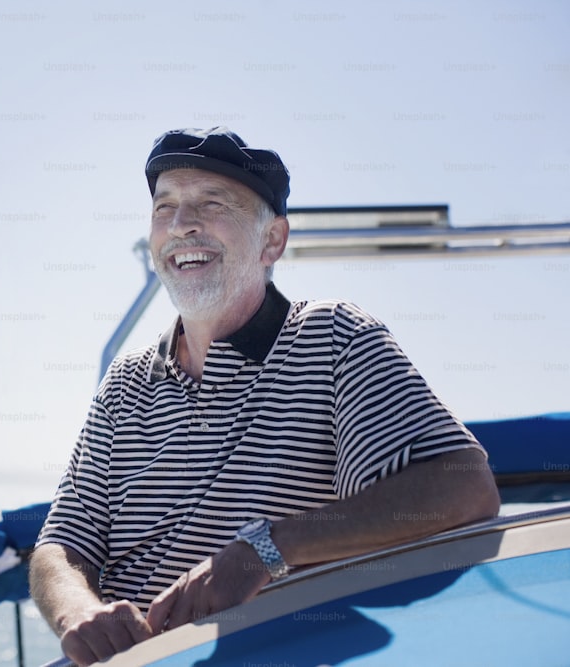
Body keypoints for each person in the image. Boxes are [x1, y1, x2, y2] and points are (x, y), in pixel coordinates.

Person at [28, 127, 501, 666]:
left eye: (212, 204)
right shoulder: (125, 384)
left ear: (272, 240)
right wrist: (78, 613)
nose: (182, 225)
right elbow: (62, 545)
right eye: (165, 208)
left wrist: (265, 548)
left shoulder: (334, 339)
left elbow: (461, 489)